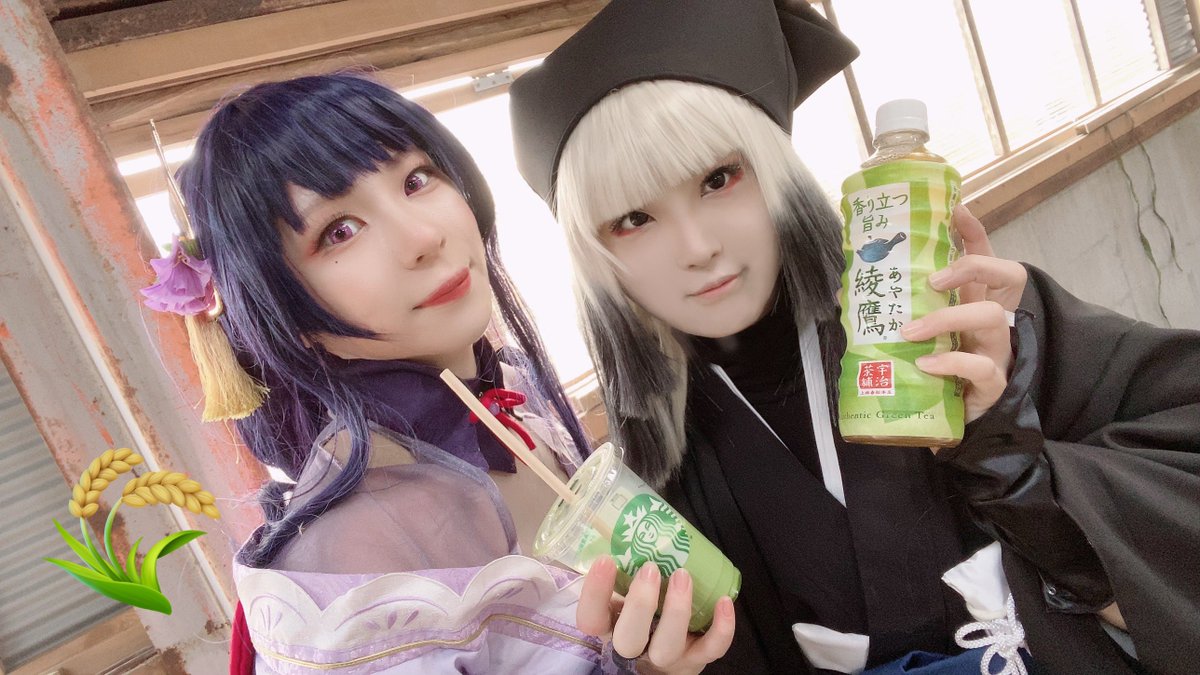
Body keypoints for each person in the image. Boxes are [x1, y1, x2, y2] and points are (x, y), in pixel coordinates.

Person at [507, 1, 1200, 673]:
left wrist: (1014, 466)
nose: (697, 247)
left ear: (779, 171)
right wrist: (672, 665)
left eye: (719, 178)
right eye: (633, 219)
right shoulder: (658, 469)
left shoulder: (967, 316)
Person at [151, 72, 734, 674]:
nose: (424, 237)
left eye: (415, 179)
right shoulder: (348, 562)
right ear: (281, 314)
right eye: (339, 231)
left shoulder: (514, 405)